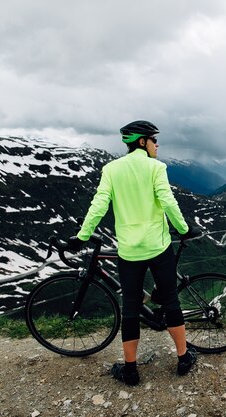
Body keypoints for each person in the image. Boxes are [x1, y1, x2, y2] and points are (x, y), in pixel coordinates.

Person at [69, 120, 198, 386]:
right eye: (154, 140)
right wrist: (183, 229)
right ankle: (183, 358)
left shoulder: (111, 170)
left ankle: (130, 369)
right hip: (158, 247)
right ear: (142, 142)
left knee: (130, 307)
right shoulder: (156, 167)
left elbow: (99, 205)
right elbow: (167, 201)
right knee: (171, 301)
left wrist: (82, 236)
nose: (157, 145)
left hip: (129, 251)